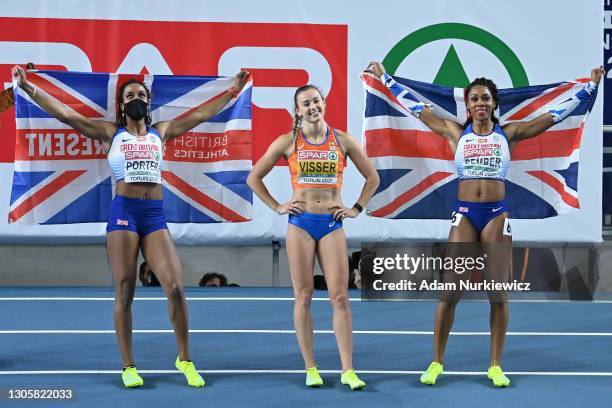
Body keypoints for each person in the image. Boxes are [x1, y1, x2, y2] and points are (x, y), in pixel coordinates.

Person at [366, 62, 603, 387]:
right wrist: (386, 80)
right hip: (465, 214)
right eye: (475, 99)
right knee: (450, 292)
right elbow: (417, 109)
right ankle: (436, 362)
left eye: (486, 98)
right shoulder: (453, 131)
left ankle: (495, 365)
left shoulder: (510, 133)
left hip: (495, 216)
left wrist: (589, 88)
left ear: (494, 104)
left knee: (498, 294)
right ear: (468, 104)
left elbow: (552, 117)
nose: (480, 103)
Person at [12, 65, 249, 388]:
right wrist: (28, 89)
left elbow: (202, 114)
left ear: (148, 102)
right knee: (125, 290)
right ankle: (129, 366)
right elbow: (68, 117)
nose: (135, 98)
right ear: (121, 105)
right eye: (129, 95)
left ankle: (185, 360)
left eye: (140, 94)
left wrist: (233, 91)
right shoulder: (112, 134)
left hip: (154, 215)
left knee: (176, 288)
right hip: (123, 213)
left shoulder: (160, 132)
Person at [247, 84, 379, 390]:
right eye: (305, 104)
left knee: (340, 297)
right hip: (301, 224)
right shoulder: (288, 142)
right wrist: (278, 206)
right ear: (297, 110)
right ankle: (311, 367)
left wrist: (356, 207)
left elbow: (373, 177)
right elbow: (253, 178)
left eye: (316, 101)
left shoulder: (342, 140)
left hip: (331, 224)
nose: (312, 107)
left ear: (324, 103)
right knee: (303, 296)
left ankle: (347, 369)